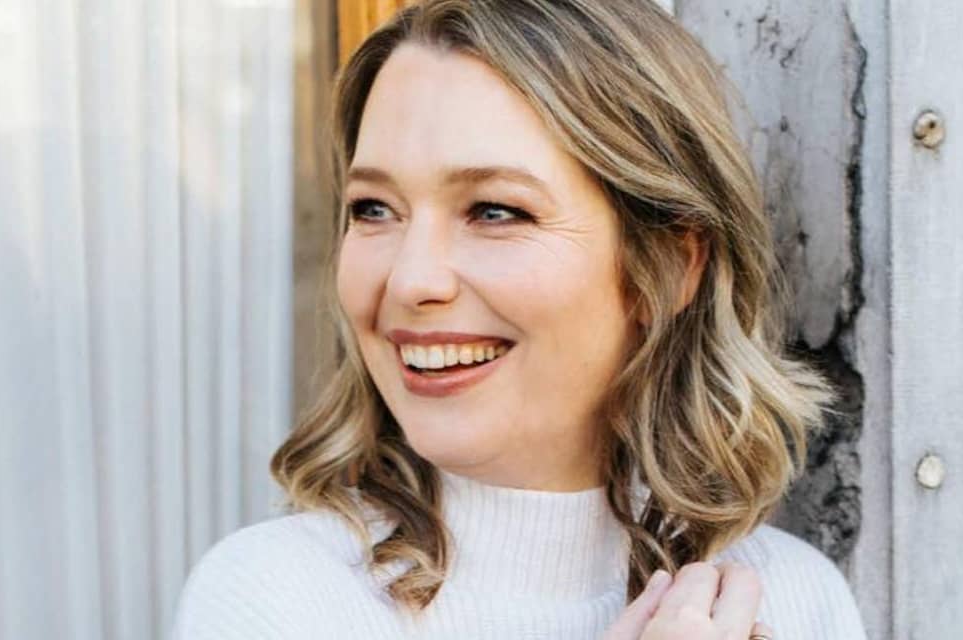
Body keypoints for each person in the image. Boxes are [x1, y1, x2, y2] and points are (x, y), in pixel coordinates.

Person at [173, 0, 869, 638]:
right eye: (373, 209)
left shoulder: (793, 600)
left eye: (495, 211)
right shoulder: (274, 599)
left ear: (668, 265)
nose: (411, 280)